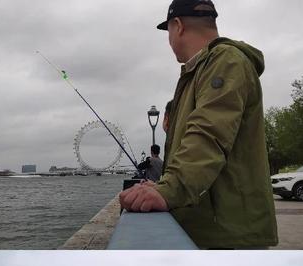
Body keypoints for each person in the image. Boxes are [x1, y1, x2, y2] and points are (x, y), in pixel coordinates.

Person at [119, 0, 278, 249]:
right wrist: (163, 184)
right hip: (213, 230)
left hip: (227, 234)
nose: (169, 40)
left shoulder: (225, 61)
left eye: (168, 31)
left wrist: (169, 190)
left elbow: (208, 134)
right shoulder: (200, 71)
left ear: (178, 26)